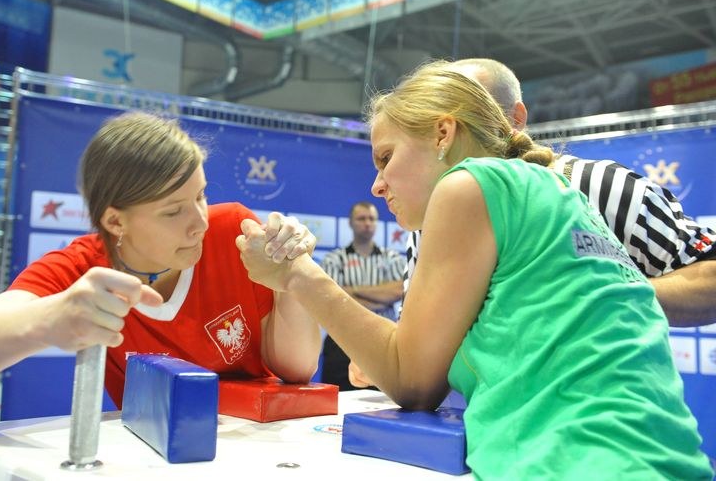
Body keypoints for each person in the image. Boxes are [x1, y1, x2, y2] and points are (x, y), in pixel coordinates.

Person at [235, 65, 714, 479]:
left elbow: (413, 383)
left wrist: (298, 275)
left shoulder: (468, 186)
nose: (377, 185)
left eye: (386, 157)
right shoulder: (552, 191)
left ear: (444, 134)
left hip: (578, 463)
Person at [0, 111, 321, 408]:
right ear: (115, 220)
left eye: (201, 196)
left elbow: (298, 368)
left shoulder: (234, 230)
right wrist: (47, 321)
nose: (198, 222)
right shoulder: (81, 269)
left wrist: (291, 278)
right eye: (173, 210)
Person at [402, 58, 716, 327]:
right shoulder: (429, 217)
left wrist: (605, 294)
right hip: (478, 400)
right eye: (436, 121)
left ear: (516, 118)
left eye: (469, 113)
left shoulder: (600, 185)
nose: (449, 133)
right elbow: (415, 342)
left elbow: (708, 276)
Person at [319, 201, 405, 390]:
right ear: (350, 223)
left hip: (383, 341)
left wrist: (352, 291)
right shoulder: (335, 258)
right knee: (336, 404)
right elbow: (333, 296)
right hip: (341, 341)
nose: (367, 223)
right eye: (361, 218)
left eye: (372, 219)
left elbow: (398, 290)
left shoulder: (392, 258)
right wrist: (380, 294)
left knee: (385, 405)